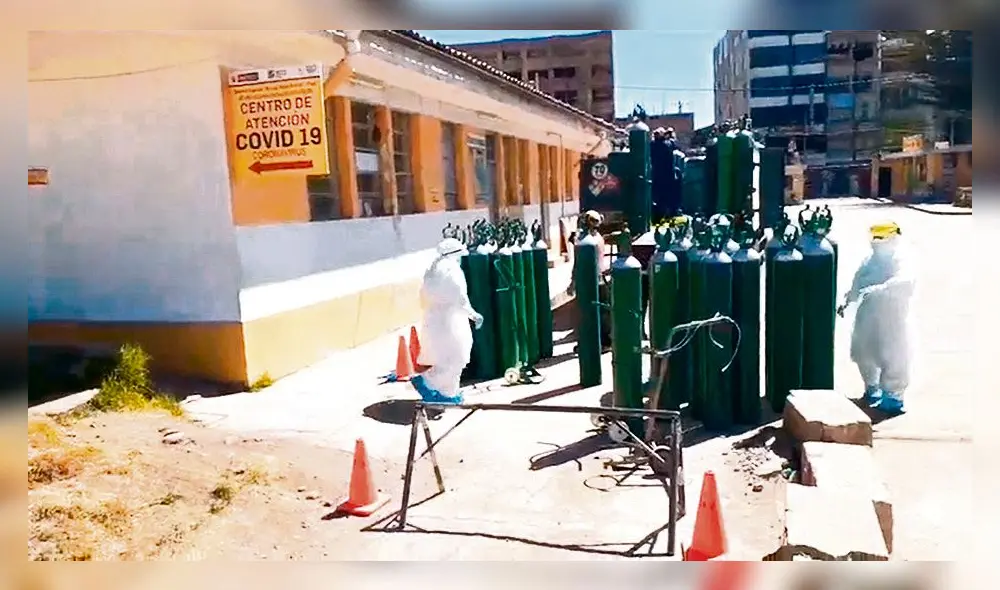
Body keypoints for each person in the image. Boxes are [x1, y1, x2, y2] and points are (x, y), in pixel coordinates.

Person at [837, 221, 915, 415]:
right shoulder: (870, 260)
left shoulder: (901, 259)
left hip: (893, 316)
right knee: (865, 352)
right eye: (875, 236)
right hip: (868, 314)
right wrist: (849, 299)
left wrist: (881, 289)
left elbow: (906, 281)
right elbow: (859, 281)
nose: (878, 241)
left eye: (883, 236)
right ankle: (872, 388)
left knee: (894, 354)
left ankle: (893, 396)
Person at [410, 237, 484, 404]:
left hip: (434, 320)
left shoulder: (433, 269)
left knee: (444, 357)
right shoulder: (451, 270)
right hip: (452, 320)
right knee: (456, 357)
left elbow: (423, 296)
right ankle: (429, 383)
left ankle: (449, 393)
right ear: (454, 253)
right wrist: (474, 315)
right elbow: (459, 297)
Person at [567, 210, 612, 348]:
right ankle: (605, 341)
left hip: (588, 281)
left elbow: (578, 263)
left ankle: (589, 342)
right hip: (601, 279)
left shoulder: (584, 241)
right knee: (602, 312)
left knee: (587, 313)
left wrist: (573, 283)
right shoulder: (598, 237)